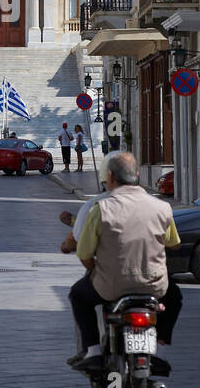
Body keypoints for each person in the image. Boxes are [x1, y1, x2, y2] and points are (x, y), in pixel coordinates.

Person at [69, 151, 182, 372]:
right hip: (155, 285)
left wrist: (95, 271)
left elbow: (84, 253)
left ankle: (93, 351)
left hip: (111, 286)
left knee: (78, 296)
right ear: (138, 176)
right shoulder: (162, 208)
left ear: (110, 177)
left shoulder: (100, 209)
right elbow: (174, 243)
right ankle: (160, 343)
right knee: (175, 296)